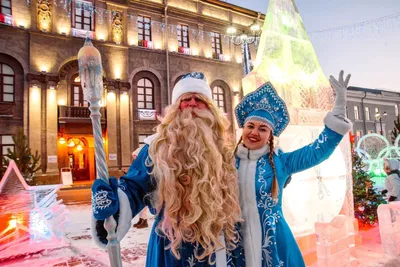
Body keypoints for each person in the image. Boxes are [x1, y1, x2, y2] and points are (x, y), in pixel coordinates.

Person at [91, 72, 245, 266]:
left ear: (210, 108)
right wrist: (111, 202)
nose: (192, 104)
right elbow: (134, 189)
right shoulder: (156, 148)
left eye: (199, 99)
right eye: (185, 99)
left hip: (220, 244)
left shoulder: (224, 150)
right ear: (175, 108)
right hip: (173, 247)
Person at [234, 70, 353, 267]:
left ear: (270, 136)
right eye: (250, 126)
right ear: (243, 129)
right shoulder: (227, 162)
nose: (254, 132)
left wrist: (338, 111)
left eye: (262, 129)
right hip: (237, 244)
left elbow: (317, 151)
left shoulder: (281, 162)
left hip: (274, 245)